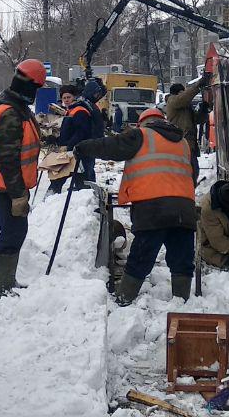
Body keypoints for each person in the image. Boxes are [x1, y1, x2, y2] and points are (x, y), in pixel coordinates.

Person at [74, 107, 196, 305]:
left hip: (152, 208)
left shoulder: (141, 135)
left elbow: (110, 146)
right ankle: (182, 302)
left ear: (143, 123)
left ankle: (124, 298)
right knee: (182, 257)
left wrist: (83, 147)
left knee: (142, 256)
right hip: (184, 208)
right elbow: (193, 173)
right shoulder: (183, 143)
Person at [0, 59, 46, 296]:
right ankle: (2, 286)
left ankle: (6, 281)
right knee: (12, 233)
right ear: (30, 85)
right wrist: (18, 194)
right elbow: (7, 158)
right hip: (7, 186)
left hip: (7, 184)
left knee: (15, 231)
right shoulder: (11, 112)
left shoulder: (13, 105)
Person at [164, 62, 214, 170]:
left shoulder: (185, 107)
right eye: (182, 92)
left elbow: (196, 120)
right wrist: (197, 86)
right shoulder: (172, 101)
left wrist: (203, 110)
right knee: (184, 171)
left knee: (193, 170)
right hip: (180, 144)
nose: (184, 94)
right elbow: (183, 98)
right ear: (177, 93)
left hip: (190, 144)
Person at [50, 84, 92, 194]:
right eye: (64, 98)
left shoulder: (80, 111)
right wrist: (56, 140)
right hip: (69, 150)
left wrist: (69, 145)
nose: (66, 100)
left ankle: (51, 196)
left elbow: (81, 132)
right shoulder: (70, 111)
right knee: (74, 176)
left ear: (74, 97)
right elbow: (67, 132)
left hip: (76, 151)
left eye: (69, 97)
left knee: (62, 176)